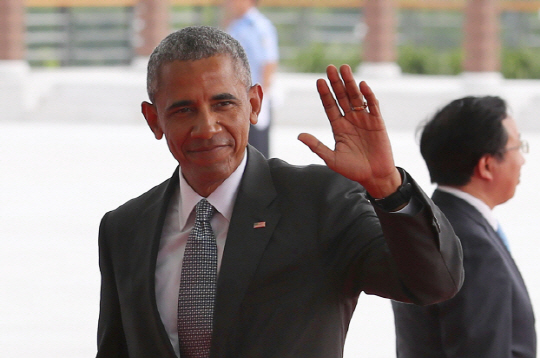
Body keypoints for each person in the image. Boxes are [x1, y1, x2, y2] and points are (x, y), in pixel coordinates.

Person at [96, 26, 463, 358]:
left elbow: (432, 283)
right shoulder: (125, 228)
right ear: (153, 119)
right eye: (183, 110)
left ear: (254, 104)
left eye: (223, 103)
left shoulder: (320, 201)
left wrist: (387, 187)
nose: (207, 127)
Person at [392, 96, 536, 358]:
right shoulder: (472, 246)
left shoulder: (428, 225)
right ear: (487, 165)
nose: (523, 161)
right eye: (518, 147)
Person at [223, 0, 278, 158]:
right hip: (236, 95)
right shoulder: (236, 25)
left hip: (253, 96)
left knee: (257, 149)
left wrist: (263, 97)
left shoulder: (259, 26)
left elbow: (268, 62)